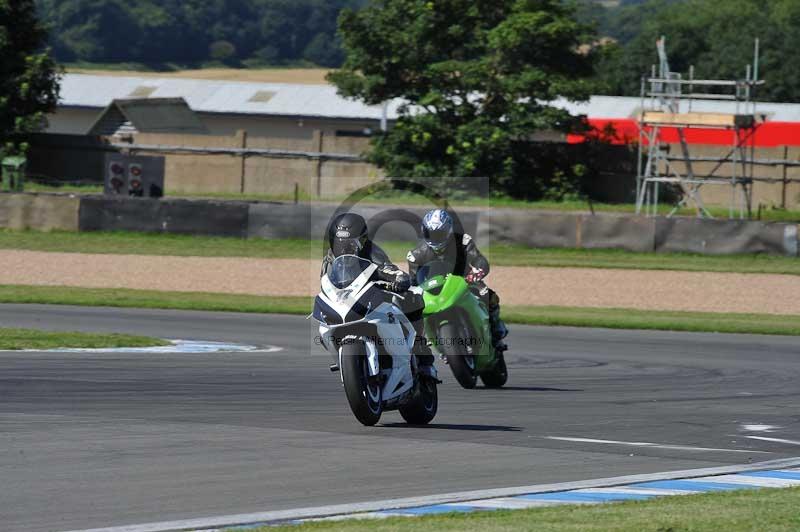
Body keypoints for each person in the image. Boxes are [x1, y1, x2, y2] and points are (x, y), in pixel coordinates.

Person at [322, 212, 438, 380]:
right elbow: (326, 282)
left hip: (372, 293)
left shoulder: (371, 251)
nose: (344, 248)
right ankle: (345, 360)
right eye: (338, 242)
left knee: (412, 298)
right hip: (348, 301)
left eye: (350, 243)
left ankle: (422, 355)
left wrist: (397, 278)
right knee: (325, 319)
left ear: (362, 240)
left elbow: (387, 268)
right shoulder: (329, 259)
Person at [407, 208, 508, 351]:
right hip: (435, 289)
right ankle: (425, 342)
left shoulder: (463, 242)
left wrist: (476, 273)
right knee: (414, 308)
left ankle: (496, 330)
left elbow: (479, 259)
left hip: (466, 281)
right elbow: (413, 282)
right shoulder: (416, 255)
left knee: (488, 295)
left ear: (448, 231)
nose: (434, 238)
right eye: (430, 233)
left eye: (439, 233)